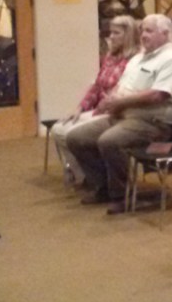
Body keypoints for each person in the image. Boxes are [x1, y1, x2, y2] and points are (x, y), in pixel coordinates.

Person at [65, 14, 172, 213]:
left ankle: (121, 195)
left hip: (152, 123)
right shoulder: (138, 58)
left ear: (165, 34)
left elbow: (158, 94)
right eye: (142, 30)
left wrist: (120, 102)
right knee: (76, 137)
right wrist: (110, 100)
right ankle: (103, 186)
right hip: (123, 116)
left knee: (109, 141)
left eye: (149, 31)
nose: (143, 35)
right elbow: (121, 86)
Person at [50, 15, 140, 186]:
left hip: (115, 112)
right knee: (58, 128)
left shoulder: (135, 61)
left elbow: (122, 93)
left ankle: (98, 177)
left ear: (128, 35)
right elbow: (97, 86)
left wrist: (102, 109)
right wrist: (80, 108)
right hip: (99, 109)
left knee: (72, 134)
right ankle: (85, 175)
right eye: (110, 32)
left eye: (116, 33)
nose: (111, 37)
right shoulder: (110, 57)